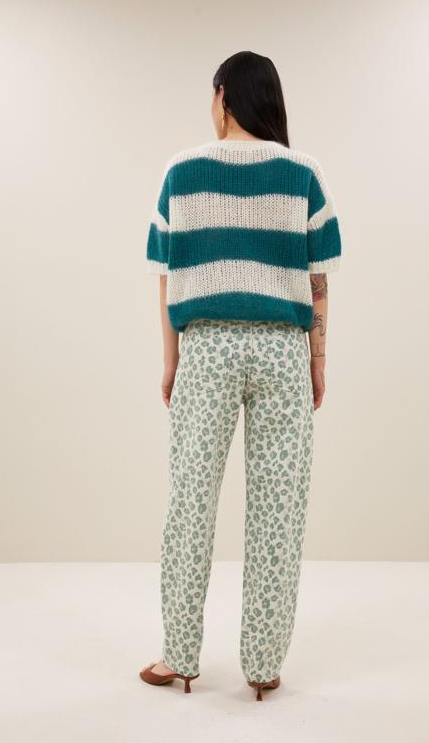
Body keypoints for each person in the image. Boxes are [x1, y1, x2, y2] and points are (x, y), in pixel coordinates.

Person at [139, 50, 342, 701]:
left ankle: (179, 657)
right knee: (279, 510)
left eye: (213, 95)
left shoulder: (182, 170)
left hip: (208, 346)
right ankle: (262, 666)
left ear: (224, 96)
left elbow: (166, 276)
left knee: (189, 504)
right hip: (283, 350)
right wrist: (317, 360)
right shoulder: (303, 173)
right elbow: (317, 281)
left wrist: (172, 359)